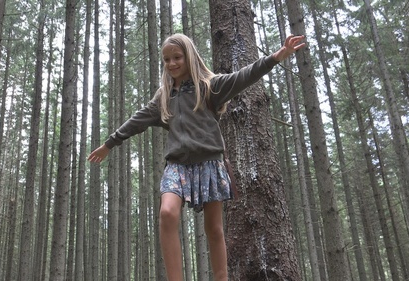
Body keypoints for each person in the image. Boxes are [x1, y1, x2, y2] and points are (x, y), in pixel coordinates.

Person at [88, 33, 305, 281]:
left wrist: (276, 57)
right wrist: (110, 143)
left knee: (213, 228)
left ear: (189, 56)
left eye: (177, 57)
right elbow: (137, 120)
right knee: (167, 213)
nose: (172, 64)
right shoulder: (163, 97)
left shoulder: (208, 86)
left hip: (209, 163)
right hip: (177, 165)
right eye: (167, 59)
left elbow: (243, 76)